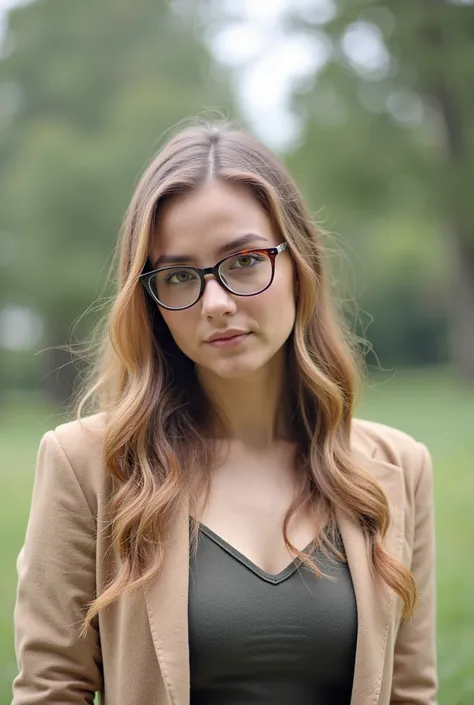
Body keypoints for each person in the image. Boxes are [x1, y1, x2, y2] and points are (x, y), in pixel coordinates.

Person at [12, 120, 437, 705]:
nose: (215, 303)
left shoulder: (397, 469)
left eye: (243, 261)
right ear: (151, 300)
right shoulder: (87, 466)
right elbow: (52, 691)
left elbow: (411, 694)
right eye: (180, 275)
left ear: (298, 263)